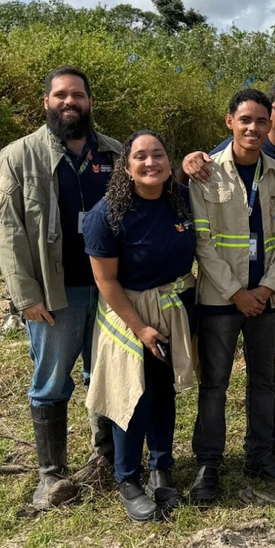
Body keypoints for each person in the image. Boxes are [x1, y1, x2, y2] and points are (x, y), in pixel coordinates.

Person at [0, 65, 120, 513]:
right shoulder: (18, 156)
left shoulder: (116, 154)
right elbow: (6, 229)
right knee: (51, 382)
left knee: (104, 376)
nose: (69, 102)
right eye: (60, 95)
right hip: (53, 295)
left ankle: (106, 461)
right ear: (46, 102)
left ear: (89, 102)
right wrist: (25, 296)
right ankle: (51, 476)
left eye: (77, 95)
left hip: (109, 292)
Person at [183, 80, 275, 448]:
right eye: (245, 120)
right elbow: (202, 241)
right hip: (220, 300)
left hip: (266, 299)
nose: (253, 128)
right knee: (214, 384)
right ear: (230, 121)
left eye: (260, 121)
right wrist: (235, 292)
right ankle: (208, 462)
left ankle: (262, 454)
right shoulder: (207, 172)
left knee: (264, 380)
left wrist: (266, 289)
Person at [83, 130, 198, 522]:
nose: (151, 163)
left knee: (164, 391)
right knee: (132, 397)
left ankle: (161, 467)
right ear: (127, 167)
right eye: (141, 157)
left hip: (174, 308)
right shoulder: (108, 214)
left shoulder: (181, 202)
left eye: (159, 155)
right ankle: (128, 478)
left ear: (169, 162)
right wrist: (141, 329)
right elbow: (106, 282)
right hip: (128, 312)